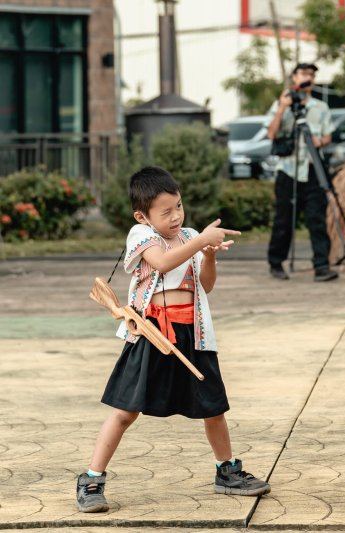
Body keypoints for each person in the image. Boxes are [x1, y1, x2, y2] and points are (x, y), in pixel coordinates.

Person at [76, 167, 270, 513]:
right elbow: (162, 263)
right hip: (153, 334)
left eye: (178, 207)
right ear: (142, 215)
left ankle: (226, 471)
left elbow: (205, 285)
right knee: (124, 410)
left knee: (214, 407)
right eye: (165, 212)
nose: (176, 216)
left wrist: (207, 254)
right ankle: (92, 478)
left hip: (192, 334)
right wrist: (201, 241)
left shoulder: (191, 236)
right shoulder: (140, 236)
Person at [266, 62, 338, 282]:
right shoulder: (282, 103)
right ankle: (276, 263)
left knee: (317, 218)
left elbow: (328, 136)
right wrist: (282, 108)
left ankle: (322, 266)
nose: (308, 78)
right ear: (294, 77)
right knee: (284, 219)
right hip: (288, 169)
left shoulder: (320, 107)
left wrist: (320, 141)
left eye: (311, 75)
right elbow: (271, 133)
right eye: (304, 73)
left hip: (313, 167)